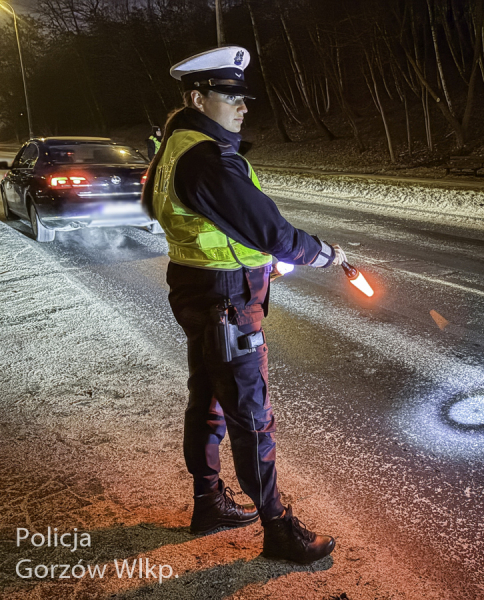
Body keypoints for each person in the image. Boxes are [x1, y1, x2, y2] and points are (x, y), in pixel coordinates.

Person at [141, 46, 344, 565]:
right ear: (196, 97)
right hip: (226, 304)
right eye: (229, 95)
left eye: (242, 96)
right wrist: (322, 254)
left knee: (207, 399)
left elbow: (210, 226)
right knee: (251, 415)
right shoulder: (207, 158)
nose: (242, 105)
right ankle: (278, 530)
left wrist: (260, 262)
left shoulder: (177, 146)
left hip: (201, 292)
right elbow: (271, 231)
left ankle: (208, 503)